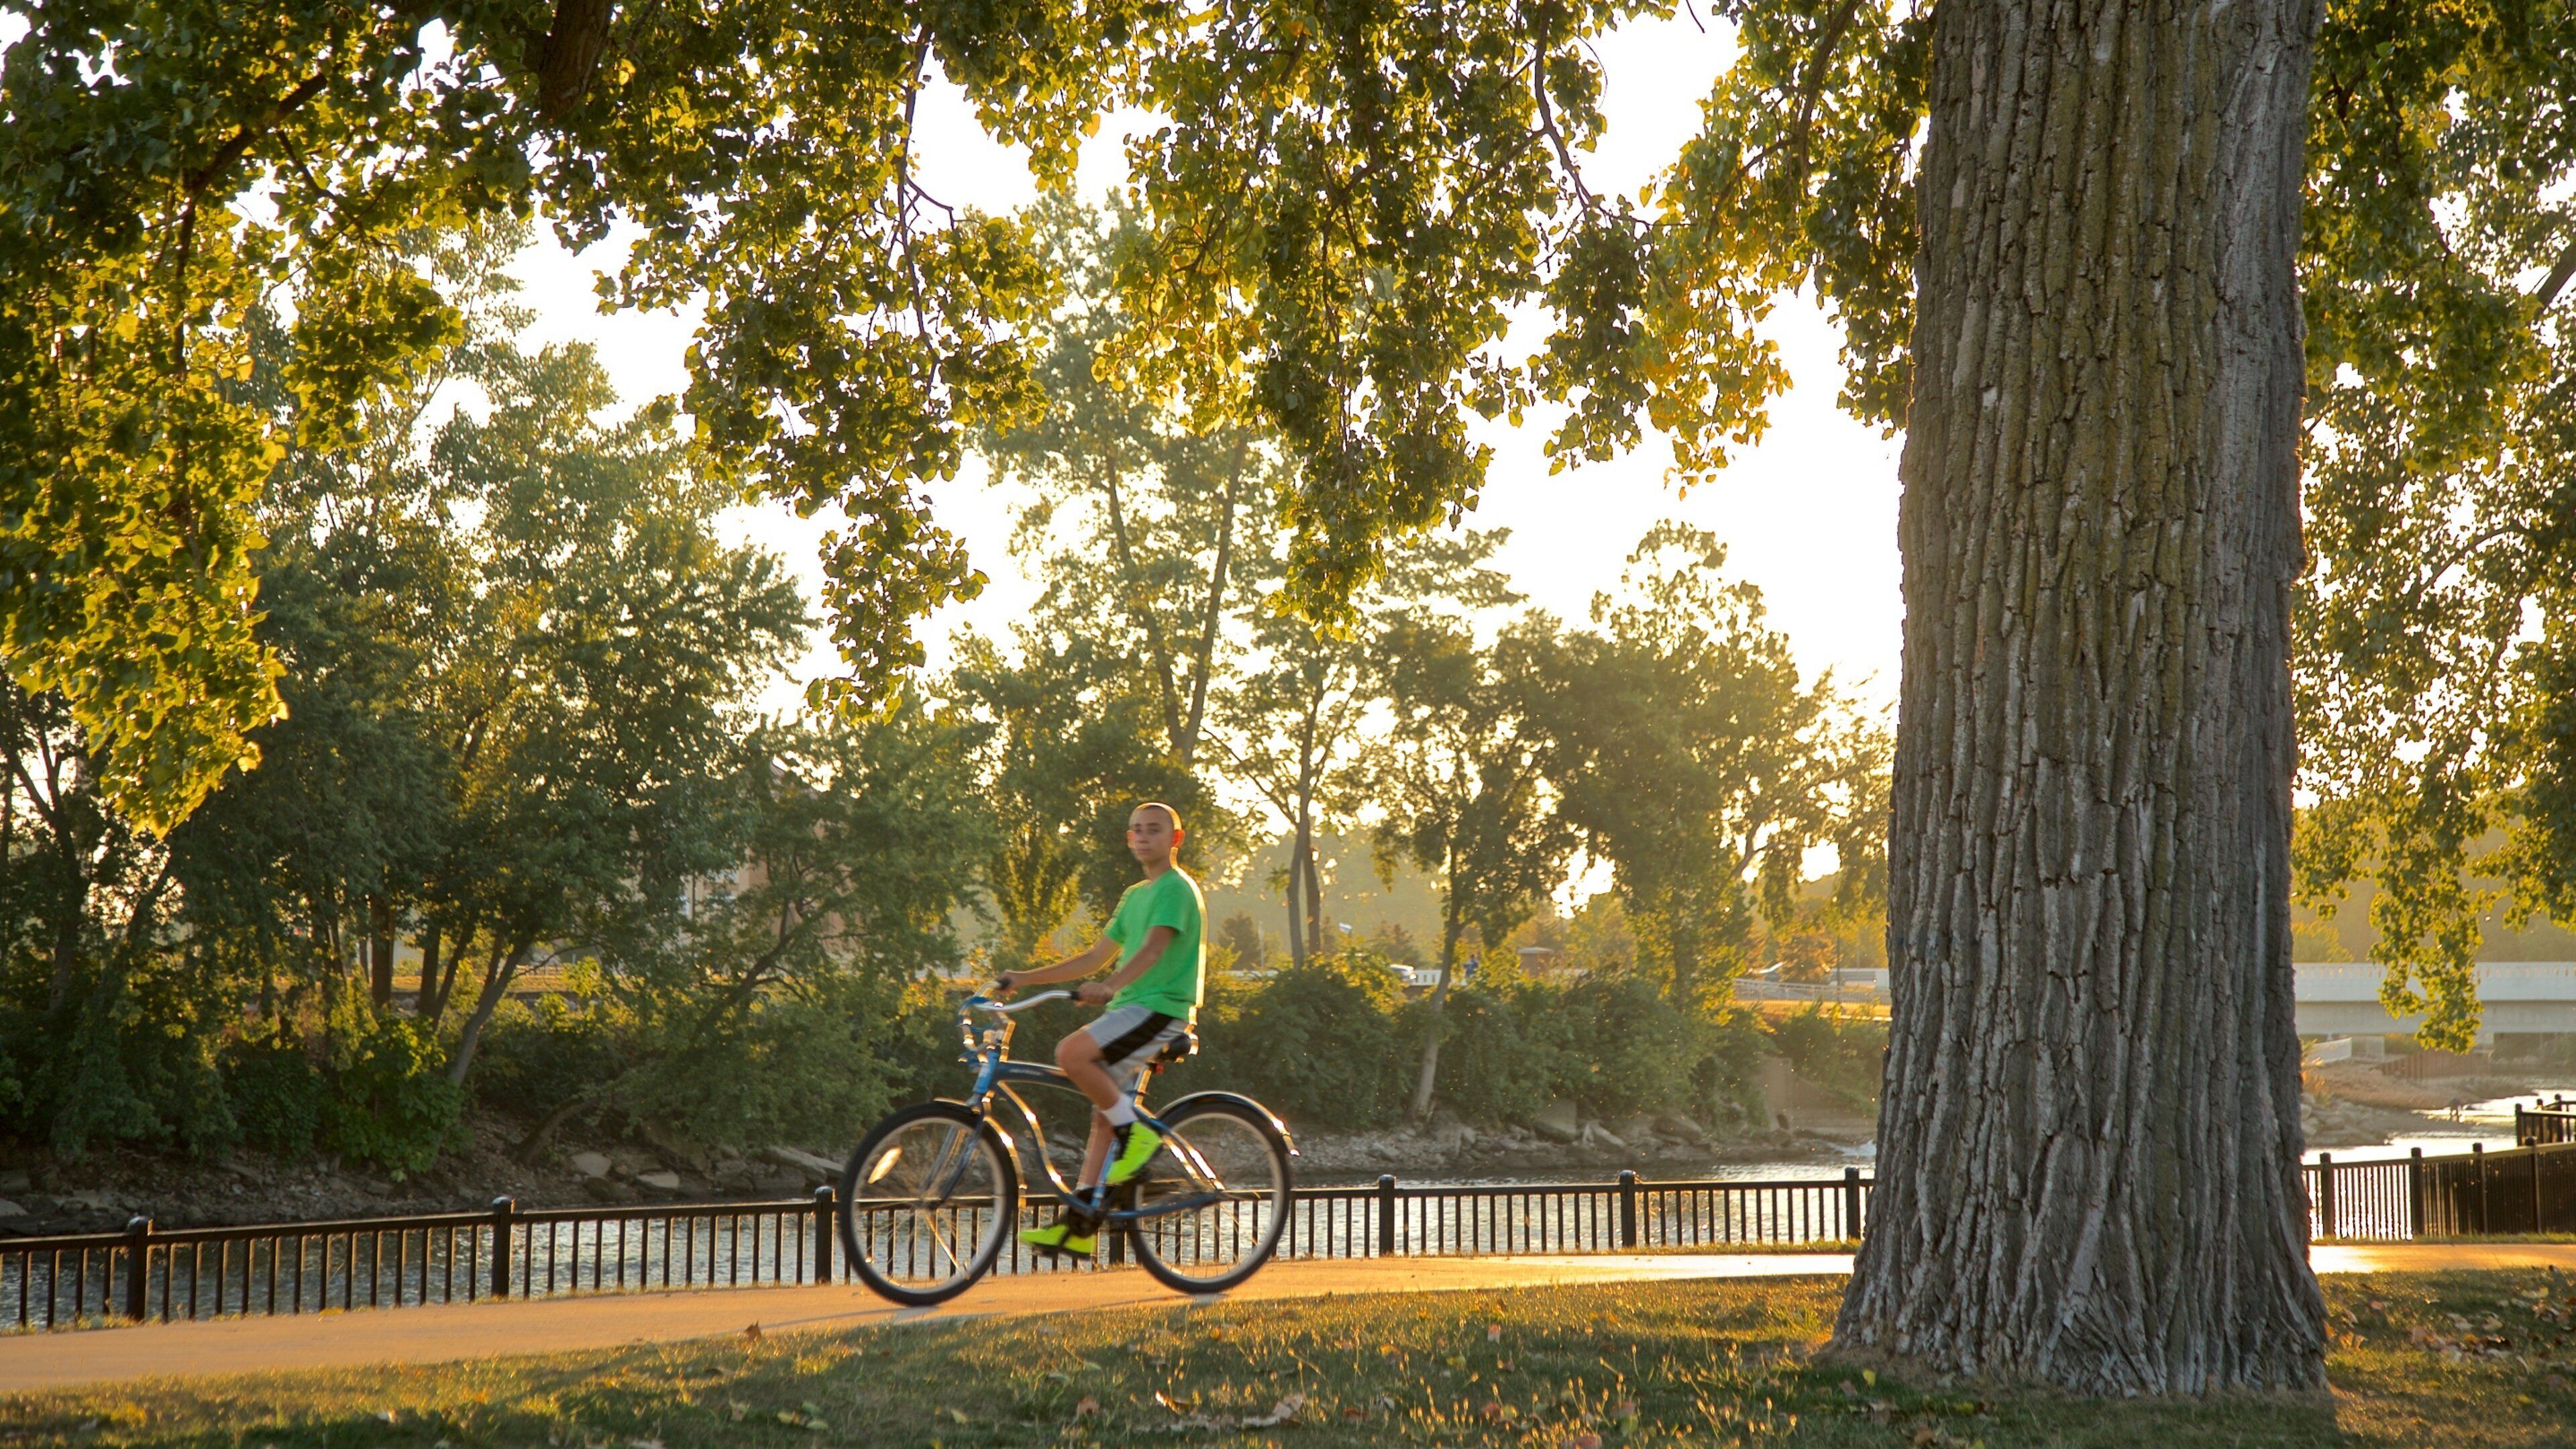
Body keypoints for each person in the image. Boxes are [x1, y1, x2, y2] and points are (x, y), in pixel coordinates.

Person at [994, 801, 1206, 1255]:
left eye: (1153, 830)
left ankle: (1140, 1138)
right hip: (1130, 1009)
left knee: (1071, 1054)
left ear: (1175, 839)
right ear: (1129, 839)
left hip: (1160, 1009)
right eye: (1135, 831)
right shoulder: (1134, 896)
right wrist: (1024, 978)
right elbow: (1093, 958)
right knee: (1103, 1115)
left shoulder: (1175, 889)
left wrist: (1110, 986)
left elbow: (1151, 951)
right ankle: (1079, 1227)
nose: (1143, 837)